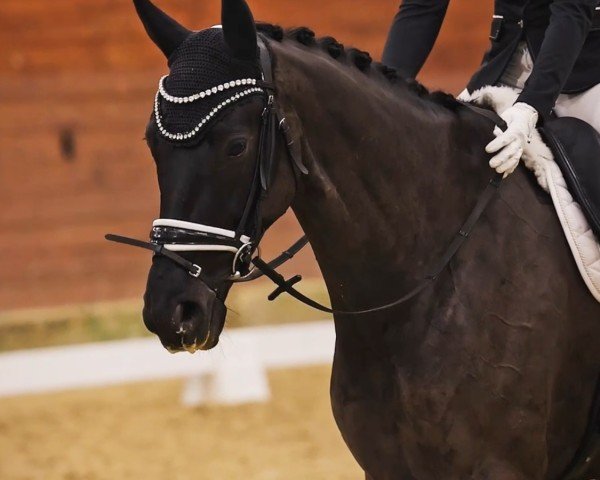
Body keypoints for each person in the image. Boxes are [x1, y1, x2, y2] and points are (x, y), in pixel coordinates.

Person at [382, 0, 600, 177]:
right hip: (504, 63)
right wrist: (386, 90)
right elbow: (423, 5)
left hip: (585, 67)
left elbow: (573, 10)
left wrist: (531, 106)